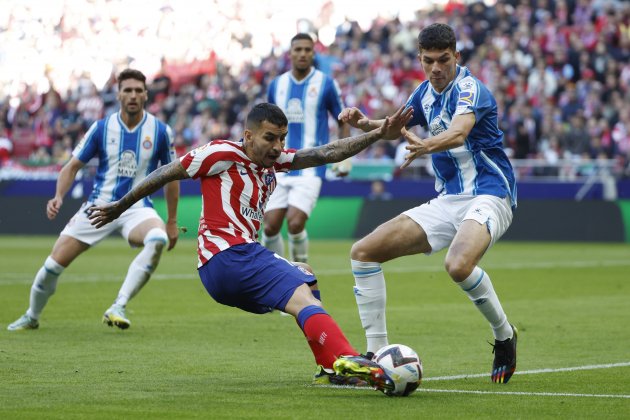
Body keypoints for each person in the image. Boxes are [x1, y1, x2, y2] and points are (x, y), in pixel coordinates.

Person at [87, 102, 413, 391]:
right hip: (230, 256)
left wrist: (378, 133)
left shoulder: (274, 162)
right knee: (301, 296)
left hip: (224, 268)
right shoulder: (221, 153)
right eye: (270, 137)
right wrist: (121, 204)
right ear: (248, 135)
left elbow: (326, 153)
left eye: (282, 138)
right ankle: (345, 357)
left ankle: (329, 366)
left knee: (306, 275)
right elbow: (166, 171)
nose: (277, 146)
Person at [339, 23, 519, 384]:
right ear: (419, 59)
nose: (436, 69)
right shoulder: (423, 93)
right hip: (448, 199)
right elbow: (393, 127)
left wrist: (426, 146)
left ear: (456, 57)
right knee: (364, 252)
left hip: (490, 192)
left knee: (457, 264)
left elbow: (459, 131)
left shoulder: (471, 89)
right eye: (428, 61)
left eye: (443, 60)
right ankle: (376, 356)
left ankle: (505, 335)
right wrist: (365, 124)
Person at [7, 69, 180, 331]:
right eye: (127, 90)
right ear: (118, 94)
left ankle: (118, 305)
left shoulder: (160, 131)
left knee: (157, 239)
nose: (132, 95)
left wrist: (172, 221)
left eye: (137, 90)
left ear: (145, 94)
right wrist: (58, 196)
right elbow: (71, 167)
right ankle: (32, 316)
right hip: (98, 207)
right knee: (53, 265)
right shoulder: (101, 128)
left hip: (137, 209)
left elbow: (172, 176)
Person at [262, 33, 350, 263]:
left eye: (307, 50)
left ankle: (300, 269)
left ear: (313, 53)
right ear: (290, 53)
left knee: (295, 222)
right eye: (298, 49)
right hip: (278, 166)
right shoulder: (276, 85)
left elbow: (342, 121)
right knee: (270, 227)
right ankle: (276, 272)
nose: (302, 54)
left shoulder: (325, 83)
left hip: (311, 167)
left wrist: (344, 157)